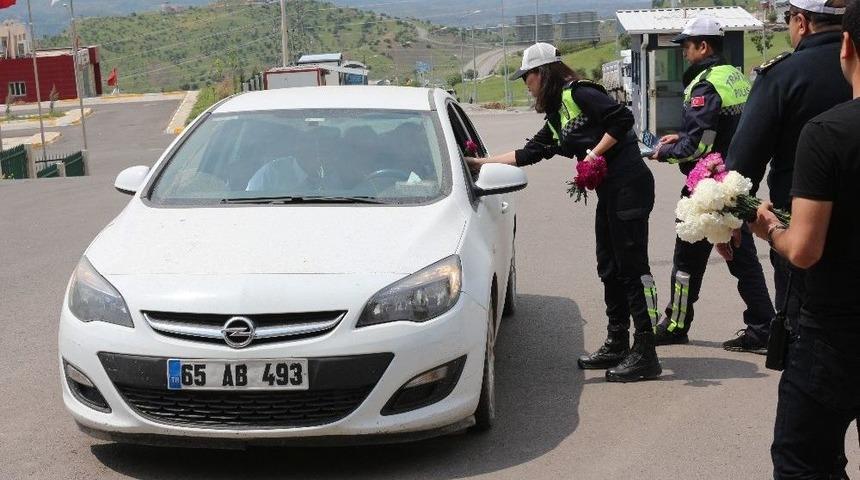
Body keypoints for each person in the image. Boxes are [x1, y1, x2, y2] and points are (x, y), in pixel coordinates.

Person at [467, 43, 661, 382]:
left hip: (630, 186)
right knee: (609, 266)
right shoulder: (559, 115)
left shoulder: (580, 93)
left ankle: (646, 351)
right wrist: (480, 163)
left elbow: (622, 119)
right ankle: (618, 341)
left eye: (527, 77)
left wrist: (594, 154)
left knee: (631, 268)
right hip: (610, 193)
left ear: (542, 73)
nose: (526, 85)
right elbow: (529, 152)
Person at [748, 2, 860, 475]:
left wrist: (769, 226)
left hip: (833, 329)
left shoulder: (828, 132)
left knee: (803, 462)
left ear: (847, 46)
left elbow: (804, 250)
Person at [723, 0, 852, 350]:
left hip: (799, 231)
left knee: (805, 343)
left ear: (801, 22)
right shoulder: (852, 68)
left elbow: (742, 164)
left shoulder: (782, 75)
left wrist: (730, 221)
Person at [650, 17, 775, 350]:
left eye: (686, 47)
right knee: (743, 259)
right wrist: (683, 136)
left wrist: (664, 152)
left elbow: (698, 146)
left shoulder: (704, 85)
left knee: (686, 263)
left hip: (706, 189)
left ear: (703, 46)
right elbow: (721, 129)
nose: (684, 53)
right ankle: (764, 326)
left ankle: (676, 324)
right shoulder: (735, 76)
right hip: (733, 183)